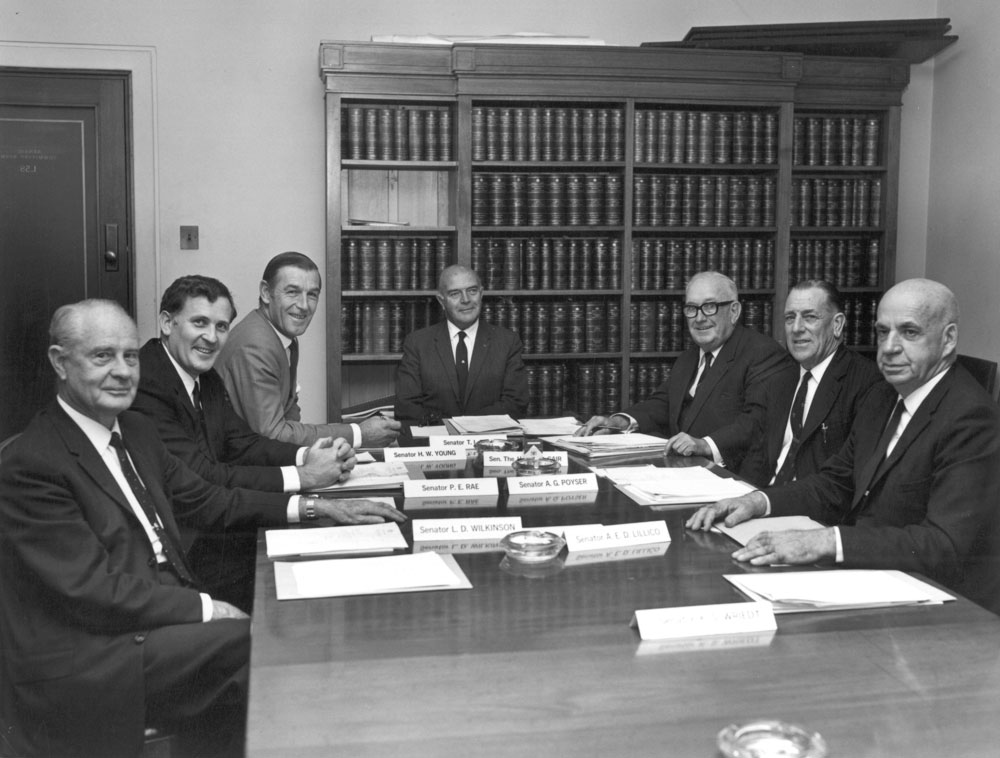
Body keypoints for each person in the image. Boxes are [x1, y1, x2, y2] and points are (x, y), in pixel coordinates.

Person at [0, 300, 403, 757]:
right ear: (59, 362)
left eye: (130, 356)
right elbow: (92, 591)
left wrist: (312, 507)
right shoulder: (30, 463)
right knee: (264, 647)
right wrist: (206, 608)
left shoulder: (135, 430)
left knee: (291, 629)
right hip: (92, 656)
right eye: (101, 356)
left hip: (151, 625)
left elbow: (210, 500)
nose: (122, 371)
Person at [686, 279, 1000, 614]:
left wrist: (827, 542)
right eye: (882, 332)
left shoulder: (971, 417)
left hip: (942, 609)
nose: (890, 347)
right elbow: (835, 481)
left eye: (909, 332)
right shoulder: (884, 395)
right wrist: (756, 501)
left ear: (948, 338)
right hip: (868, 578)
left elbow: (944, 545)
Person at [134, 275, 394, 611]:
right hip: (185, 550)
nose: (211, 338)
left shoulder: (204, 375)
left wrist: (311, 455)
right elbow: (205, 477)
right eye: (200, 323)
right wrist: (306, 480)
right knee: (310, 593)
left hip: (217, 525)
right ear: (167, 323)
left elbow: (243, 443)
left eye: (221, 326)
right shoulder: (147, 382)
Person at [576, 271, 795, 471]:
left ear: (734, 311)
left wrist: (704, 444)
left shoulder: (763, 353)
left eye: (710, 306)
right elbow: (662, 404)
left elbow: (756, 423)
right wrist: (618, 422)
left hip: (730, 478)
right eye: (692, 308)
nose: (699, 318)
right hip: (682, 472)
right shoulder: (689, 357)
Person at [216, 251, 401, 447]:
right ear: (265, 292)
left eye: (312, 294)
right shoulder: (255, 345)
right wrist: (358, 433)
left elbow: (290, 414)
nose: (304, 306)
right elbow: (272, 434)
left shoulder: (282, 336)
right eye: (292, 292)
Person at [737, 279, 886, 487]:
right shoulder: (778, 378)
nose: (796, 328)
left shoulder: (868, 383)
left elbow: (846, 479)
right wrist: (740, 498)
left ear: (837, 324)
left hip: (813, 508)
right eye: (790, 318)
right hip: (764, 501)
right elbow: (757, 458)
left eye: (809, 317)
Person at [394, 264, 529, 423]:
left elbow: (515, 404)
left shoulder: (507, 342)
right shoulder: (418, 343)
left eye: (472, 291)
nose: (466, 300)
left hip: (489, 442)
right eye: (455, 293)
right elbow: (407, 406)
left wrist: (468, 427)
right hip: (436, 441)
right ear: (441, 301)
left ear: (481, 294)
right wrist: (451, 429)